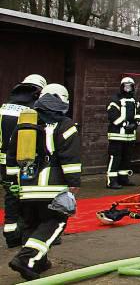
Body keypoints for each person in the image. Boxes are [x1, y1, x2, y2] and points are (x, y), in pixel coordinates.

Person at [5, 83, 81, 281]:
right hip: (52, 187)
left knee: (32, 225)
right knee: (55, 222)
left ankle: (39, 262)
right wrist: (73, 182)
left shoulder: (24, 123)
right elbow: (70, 156)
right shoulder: (65, 124)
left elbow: (11, 155)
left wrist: (13, 183)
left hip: (27, 187)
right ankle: (25, 260)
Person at [0, 75, 45, 249]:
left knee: (11, 195)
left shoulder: (4, 108)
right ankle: (26, 233)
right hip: (25, 163)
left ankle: (11, 234)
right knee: (26, 195)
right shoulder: (33, 111)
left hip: (4, 163)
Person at [106, 76, 140, 189]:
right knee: (115, 157)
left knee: (126, 158)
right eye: (125, 86)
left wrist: (136, 123)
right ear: (122, 87)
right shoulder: (115, 100)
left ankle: (123, 179)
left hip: (130, 136)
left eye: (130, 86)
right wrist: (125, 124)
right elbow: (112, 115)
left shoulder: (135, 100)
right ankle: (111, 181)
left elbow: (139, 113)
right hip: (117, 135)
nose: (127, 88)